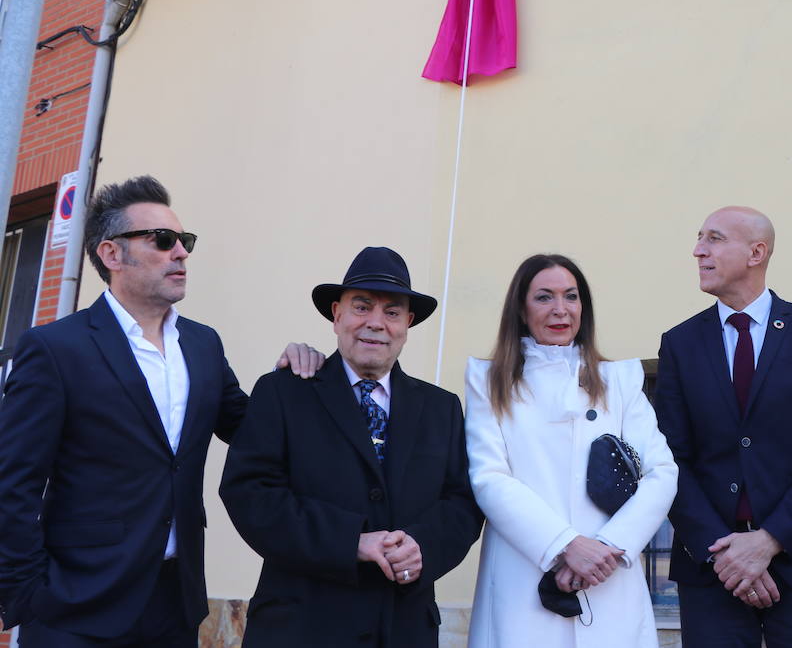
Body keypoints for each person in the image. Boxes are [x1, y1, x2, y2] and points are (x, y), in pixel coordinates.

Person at [0, 175, 321, 646]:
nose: (181, 253)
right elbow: (12, 481)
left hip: (176, 602)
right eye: (164, 240)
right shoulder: (55, 349)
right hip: (78, 604)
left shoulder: (203, 344)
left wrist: (294, 379)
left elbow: (251, 429)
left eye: (184, 241)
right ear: (112, 254)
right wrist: (28, 593)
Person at [219, 246, 482, 647]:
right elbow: (251, 494)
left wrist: (422, 547)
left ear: (407, 324)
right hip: (300, 629)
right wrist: (351, 542)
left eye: (392, 312)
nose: (376, 323)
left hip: (403, 629)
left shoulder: (441, 408)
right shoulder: (283, 392)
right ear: (336, 315)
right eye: (362, 307)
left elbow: (462, 503)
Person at [656, 206, 792, 648]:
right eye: (699, 239)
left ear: (756, 252)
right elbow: (670, 460)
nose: (698, 251)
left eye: (713, 239)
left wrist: (769, 541)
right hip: (711, 570)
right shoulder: (680, 344)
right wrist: (727, 556)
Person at [464, 253, 677, 647]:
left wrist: (609, 548)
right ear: (521, 310)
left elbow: (662, 472)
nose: (561, 310)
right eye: (544, 297)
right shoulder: (488, 381)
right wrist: (564, 545)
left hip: (610, 582)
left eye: (571, 296)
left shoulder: (620, 380)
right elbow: (489, 478)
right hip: (522, 584)